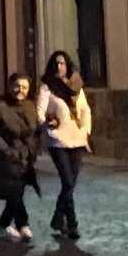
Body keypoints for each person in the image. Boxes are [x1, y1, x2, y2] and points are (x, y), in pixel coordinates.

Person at [0, 71, 44, 241]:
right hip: (5, 158)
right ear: (9, 86)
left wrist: (35, 146)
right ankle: (23, 224)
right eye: (17, 86)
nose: (20, 90)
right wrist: (2, 147)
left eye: (25, 87)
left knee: (17, 191)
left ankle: (3, 223)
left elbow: (33, 131)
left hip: (25, 158)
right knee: (14, 191)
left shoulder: (29, 106)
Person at [36, 48, 94, 240]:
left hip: (77, 139)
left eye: (63, 63)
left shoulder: (77, 86)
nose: (60, 66)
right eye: (56, 63)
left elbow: (85, 110)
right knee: (67, 182)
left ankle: (58, 219)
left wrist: (85, 131)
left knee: (70, 184)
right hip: (58, 140)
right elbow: (40, 111)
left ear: (68, 65)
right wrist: (47, 121)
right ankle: (73, 224)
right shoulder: (47, 88)